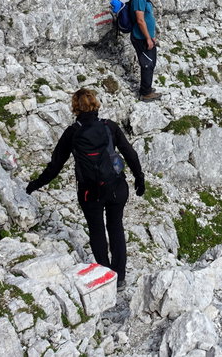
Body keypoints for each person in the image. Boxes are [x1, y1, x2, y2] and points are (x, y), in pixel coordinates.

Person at [25, 88, 146, 288]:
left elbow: (55, 166)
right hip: (117, 187)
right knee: (116, 227)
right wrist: (139, 178)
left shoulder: (72, 133)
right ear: (96, 104)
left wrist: (35, 185)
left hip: (90, 192)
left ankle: (107, 276)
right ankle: (120, 277)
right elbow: (130, 153)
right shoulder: (109, 127)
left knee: (96, 231)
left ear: (75, 107)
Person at [130, 0, 161, 101]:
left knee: (151, 62)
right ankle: (145, 93)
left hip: (147, 37)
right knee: (147, 63)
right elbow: (140, 20)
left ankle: (146, 88)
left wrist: (152, 37)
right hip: (141, 38)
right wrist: (148, 38)